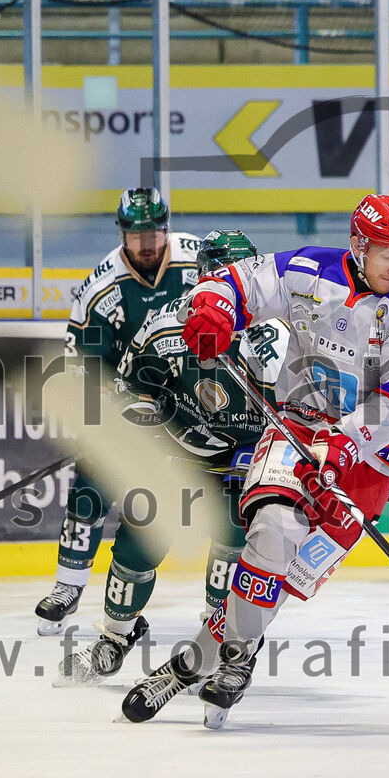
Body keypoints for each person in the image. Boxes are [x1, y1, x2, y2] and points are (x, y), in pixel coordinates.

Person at [120, 194, 389, 728]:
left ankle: (191, 663)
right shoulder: (307, 269)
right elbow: (236, 282)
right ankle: (237, 660)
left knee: (287, 577)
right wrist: (214, 308)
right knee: (272, 534)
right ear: (359, 246)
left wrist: (346, 443)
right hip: (296, 425)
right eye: (387, 253)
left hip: (372, 457)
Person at [56, 229, 291, 684]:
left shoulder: (278, 339)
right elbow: (130, 387)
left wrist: (280, 457)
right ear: (200, 279)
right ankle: (116, 637)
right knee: (138, 538)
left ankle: (221, 644)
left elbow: (302, 414)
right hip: (182, 453)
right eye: (216, 278)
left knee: (233, 545)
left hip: (247, 458)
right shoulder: (165, 326)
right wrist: (140, 406)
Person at [34, 187, 202, 636]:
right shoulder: (101, 289)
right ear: (122, 234)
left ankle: (212, 607)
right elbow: (82, 370)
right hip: (131, 402)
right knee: (91, 482)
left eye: (154, 233)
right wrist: (117, 406)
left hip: (196, 401)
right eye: (136, 234)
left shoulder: (198, 264)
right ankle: (68, 586)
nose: (147, 243)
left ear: (167, 228)